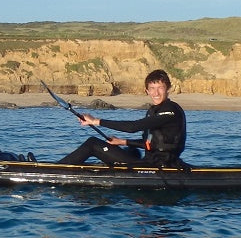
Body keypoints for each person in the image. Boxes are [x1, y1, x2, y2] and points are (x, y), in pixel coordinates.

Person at [57, 69, 186, 167]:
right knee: (131, 151)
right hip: (151, 162)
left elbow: (132, 127)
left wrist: (96, 121)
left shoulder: (171, 110)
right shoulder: (154, 111)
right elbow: (150, 144)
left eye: (160, 88)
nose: (156, 93)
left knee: (93, 143)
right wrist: (122, 142)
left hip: (162, 165)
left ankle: (57, 169)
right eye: (152, 89)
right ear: (146, 91)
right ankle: (62, 166)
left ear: (168, 88)